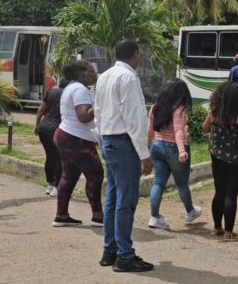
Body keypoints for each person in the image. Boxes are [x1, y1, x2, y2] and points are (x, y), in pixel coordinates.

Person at [94, 40, 154, 273]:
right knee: (126, 201)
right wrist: (144, 154)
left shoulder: (105, 76)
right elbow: (134, 119)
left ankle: (111, 249)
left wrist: (102, 140)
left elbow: (97, 113)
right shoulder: (128, 78)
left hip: (109, 140)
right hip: (124, 143)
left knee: (113, 197)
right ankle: (125, 255)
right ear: (135, 55)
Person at [202, 81, 238, 240]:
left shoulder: (215, 113)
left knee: (219, 192)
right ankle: (229, 232)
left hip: (218, 157)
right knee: (231, 195)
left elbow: (205, 128)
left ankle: (217, 228)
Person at [52, 61, 103, 228]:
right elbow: (83, 116)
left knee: (69, 176)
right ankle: (98, 216)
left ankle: (61, 215)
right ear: (82, 74)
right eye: (91, 71)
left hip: (66, 135)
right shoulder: (80, 90)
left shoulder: (71, 87)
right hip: (75, 138)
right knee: (95, 174)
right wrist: (99, 104)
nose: (95, 74)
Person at [147, 79, 202, 230]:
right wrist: (182, 151)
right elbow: (178, 131)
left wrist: (146, 148)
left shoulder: (155, 108)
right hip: (174, 149)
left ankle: (154, 217)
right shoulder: (179, 110)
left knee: (158, 182)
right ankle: (190, 212)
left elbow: (150, 131)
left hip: (157, 147)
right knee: (182, 183)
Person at [35, 78, 69, 197]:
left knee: (50, 156)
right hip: (58, 129)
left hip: (44, 128)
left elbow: (41, 110)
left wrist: (37, 125)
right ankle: (57, 187)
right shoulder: (69, 94)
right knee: (60, 158)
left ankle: (49, 185)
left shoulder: (51, 92)